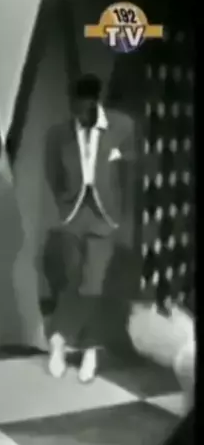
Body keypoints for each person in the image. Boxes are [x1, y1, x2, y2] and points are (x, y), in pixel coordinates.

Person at [44, 73, 138, 383]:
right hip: (72, 216)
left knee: (93, 284)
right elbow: (53, 175)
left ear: (96, 103)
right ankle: (62, 342)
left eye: (85, 110)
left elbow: (128, 173)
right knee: (73, 281)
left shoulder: (122, 126)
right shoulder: (58, 134)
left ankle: (79, 346)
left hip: (104, 218)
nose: (80, 116)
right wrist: (64, 206)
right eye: (75, 109)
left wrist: (120, 217)